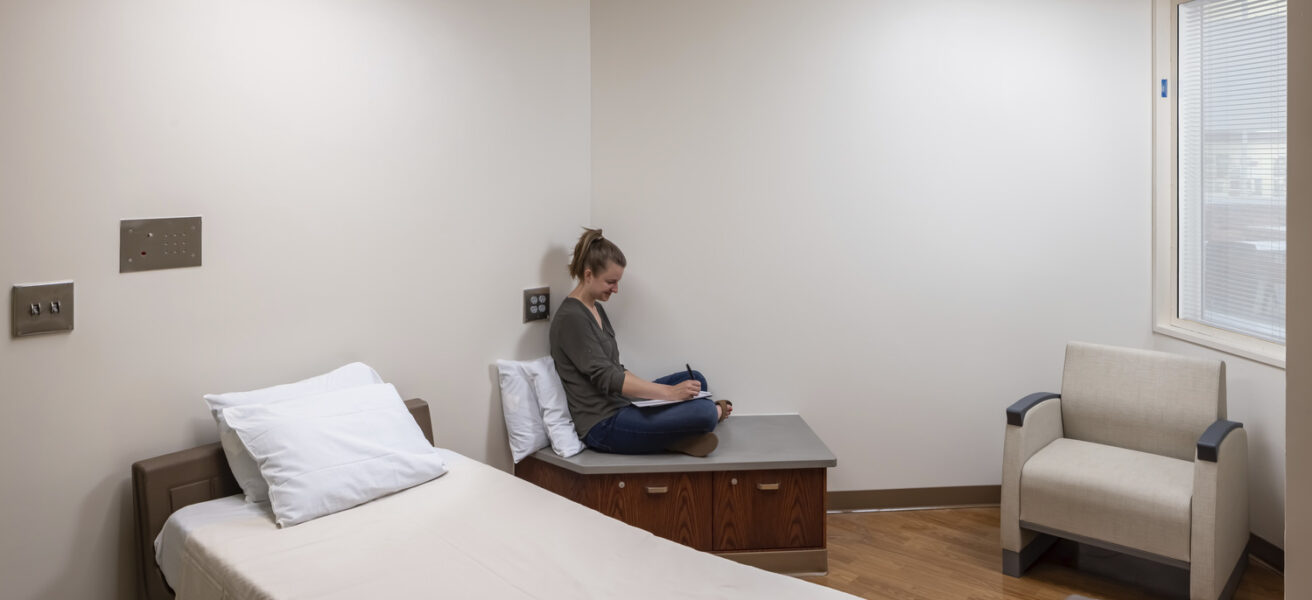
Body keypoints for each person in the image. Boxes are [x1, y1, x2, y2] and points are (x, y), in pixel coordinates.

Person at [549, 227, 732, 457]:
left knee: (696, 380)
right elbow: (608, 377)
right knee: (705, 412)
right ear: (588, 275)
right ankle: (681, 432)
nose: (616, 289)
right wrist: (668, 393)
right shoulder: (571, 318)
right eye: (611, 282)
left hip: (621, 403)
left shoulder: (595, 308)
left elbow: (616, 368)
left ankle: (672, 438)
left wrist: (662, 393)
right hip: (603, 425)